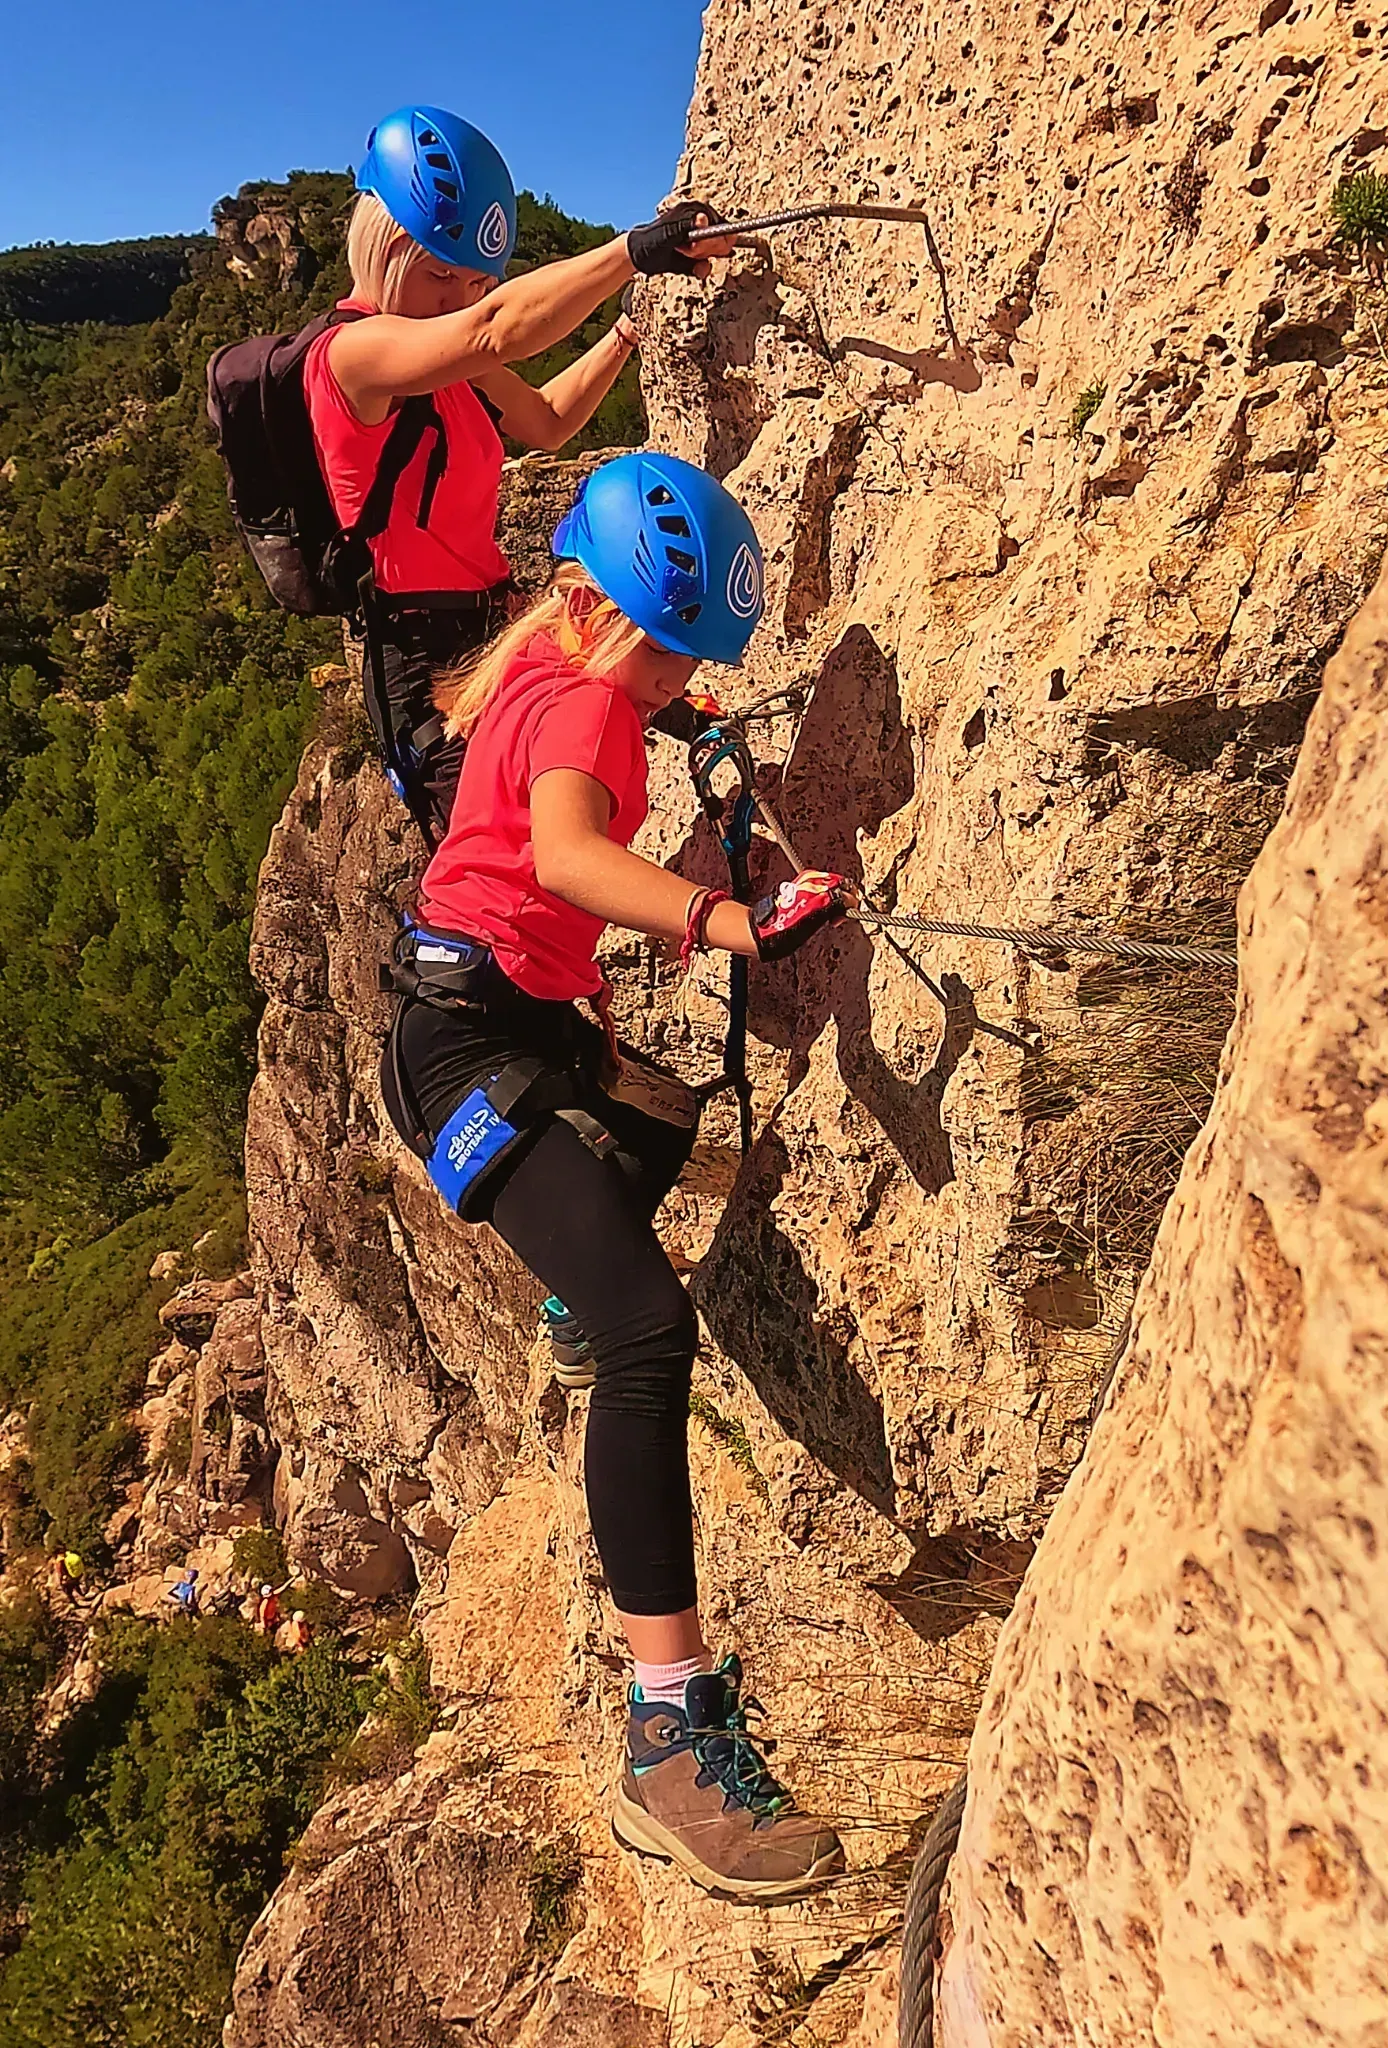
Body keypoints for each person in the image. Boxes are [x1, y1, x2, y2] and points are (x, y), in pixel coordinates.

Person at [379, 452, 852, 1902]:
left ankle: (579, 1309)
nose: (669, 683)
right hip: (471, 1054)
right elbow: (578, 857)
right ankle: (667, 1728)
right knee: (655, 1337)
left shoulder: (551, 666)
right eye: (672, 655)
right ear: (592, 606)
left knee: (657, 1118)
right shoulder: (589, 692)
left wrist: (687, 720)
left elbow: (559, 806)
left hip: (500, 1022)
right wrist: (724, 919)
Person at [306, 103, 736, 844]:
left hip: (489, 628)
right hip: (420, 661)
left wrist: (628, 329)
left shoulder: (446, 361)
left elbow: (546, 421)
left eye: (476, 281)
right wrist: (630, 252)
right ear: (382, 244)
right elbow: (494, 328)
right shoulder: (352, 358)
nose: (459, 297)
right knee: (516, 856)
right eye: (443, 273)